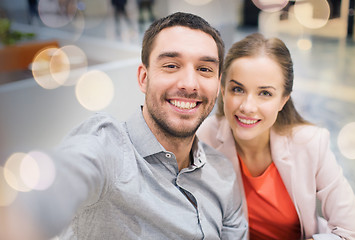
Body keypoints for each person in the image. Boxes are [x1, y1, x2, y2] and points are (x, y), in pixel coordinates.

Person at [0, 12, 247, 240]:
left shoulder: (223, 174)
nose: (190, 83)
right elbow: (55, 183)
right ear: (143, 78)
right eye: (171, 65)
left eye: (204, 69)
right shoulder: (108, 147)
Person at [197, 33, 355, 240]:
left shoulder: (311, 143)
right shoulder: (203, 138)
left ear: (283, 100)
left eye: (265, 93)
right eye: (238, 89)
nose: (247, 107)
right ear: (223, 91)